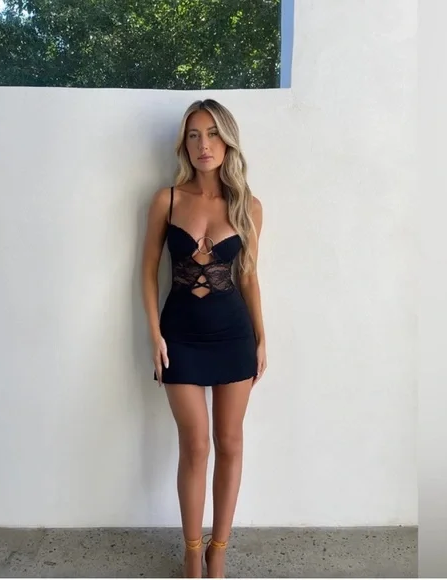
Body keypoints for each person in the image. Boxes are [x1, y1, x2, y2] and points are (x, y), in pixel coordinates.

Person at [141, 99, 267, 578]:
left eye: (212, 133)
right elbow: (147, 272)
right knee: (195, 445)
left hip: (234, 336)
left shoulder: (248, 206)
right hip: (180, 338)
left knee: (229, 442)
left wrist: (262, 338)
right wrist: (154, 334)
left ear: (227, 141)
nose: (203, 144)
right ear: (184, 144)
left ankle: (219, 552)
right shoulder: (167, 200)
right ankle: (192, 552)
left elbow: (249, 277)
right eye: (193, 135)